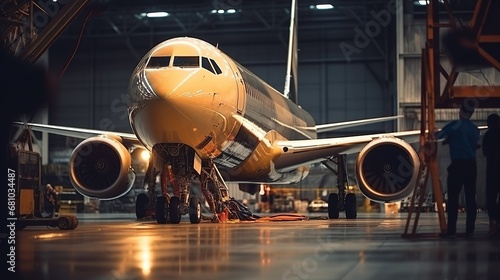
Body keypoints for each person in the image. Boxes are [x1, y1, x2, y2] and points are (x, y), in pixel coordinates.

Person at [436, 105, 480, 238]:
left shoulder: (455, 125)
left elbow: (439, 135)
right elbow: (473, 144)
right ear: (471, 114)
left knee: (453, 198)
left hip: (458, 165)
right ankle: (470, 229)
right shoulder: (475, 129)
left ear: (460, 112)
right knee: (471, 197)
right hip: (471, 166)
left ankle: (451, 230)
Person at [482, 113, 500, 236]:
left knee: (491, 197)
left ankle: (493, 219)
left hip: (492, 170)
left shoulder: (487, 135)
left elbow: (485, 152)